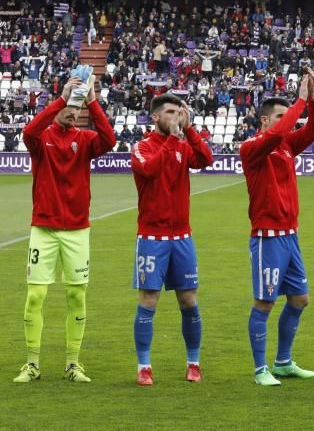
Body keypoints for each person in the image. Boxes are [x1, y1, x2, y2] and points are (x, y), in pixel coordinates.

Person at [14, 75, 116, 384]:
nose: (74, 113)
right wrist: (62, 98)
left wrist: (93, 102)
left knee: (76, 295)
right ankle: (32, 363)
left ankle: (73, 363)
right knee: (35, 296)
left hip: (76, 230)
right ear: (59, 105)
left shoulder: (84, 140)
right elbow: (27, 131)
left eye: (77, 108)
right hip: (43, 228)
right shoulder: (41, 139)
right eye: (70, 107)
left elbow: (109, 140)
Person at [240, 68, 314, 386]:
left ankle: (284, 362)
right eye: (279, 115)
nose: (285, 119)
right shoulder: (252, 148)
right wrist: (299, 102)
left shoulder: (286, 145)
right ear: (264, 120)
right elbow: (278, 134)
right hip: (267, 237)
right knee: (265, 302)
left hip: (290, 235)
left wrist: (312, 101)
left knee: (299, 299)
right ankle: (261, 369)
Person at [130, 94, 213, 386]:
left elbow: (205, 159)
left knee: (189, 299)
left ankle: (193, 363)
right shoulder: (141, 148)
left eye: (179, 112)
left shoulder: (181, 143)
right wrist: (173, 140)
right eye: (170, 112)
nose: (175, 117)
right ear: (155, 117)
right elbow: (150, 170)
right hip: (152, 237)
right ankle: (144, 366)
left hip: (182, 237)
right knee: (148, 301)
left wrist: (188, 131)